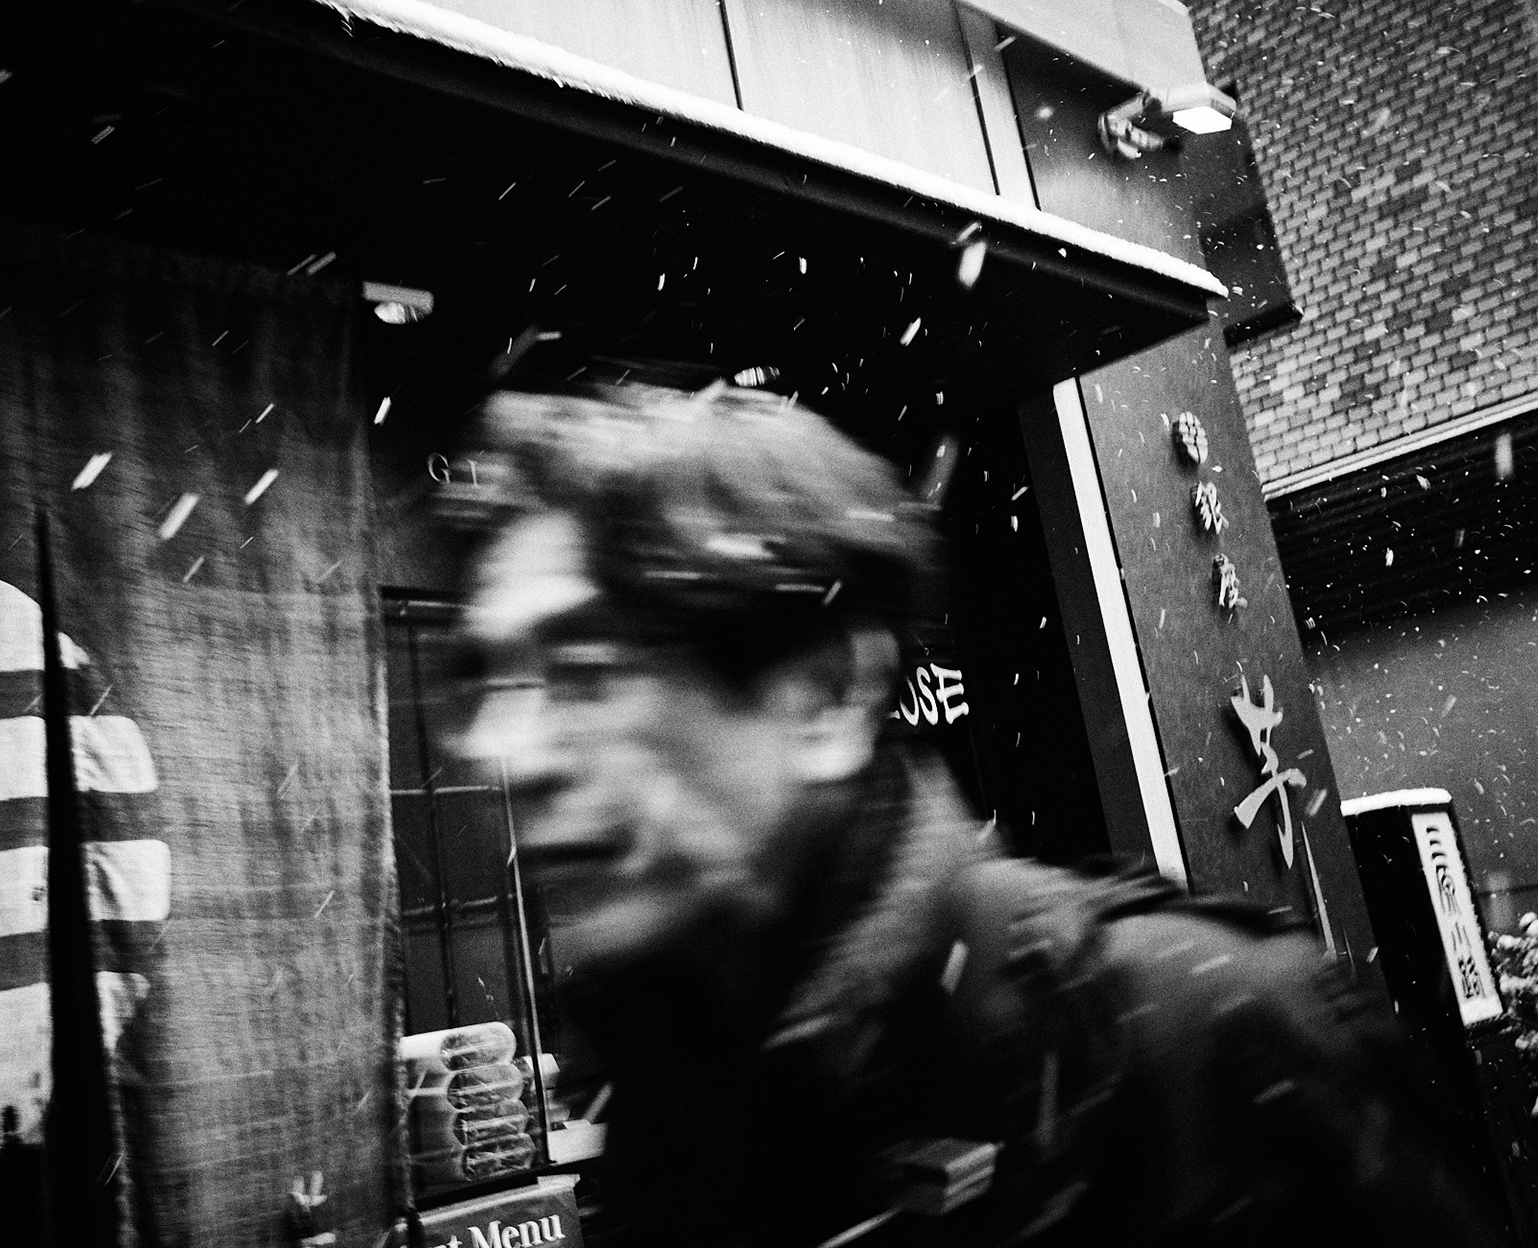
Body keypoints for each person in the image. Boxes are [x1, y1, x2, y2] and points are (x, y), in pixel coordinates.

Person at [439, 375, 1505, 1247]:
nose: (502, 747)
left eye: (587, 669)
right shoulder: (672, 1117)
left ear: (825, 696)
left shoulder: (1203, 1041)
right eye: (491, 678)